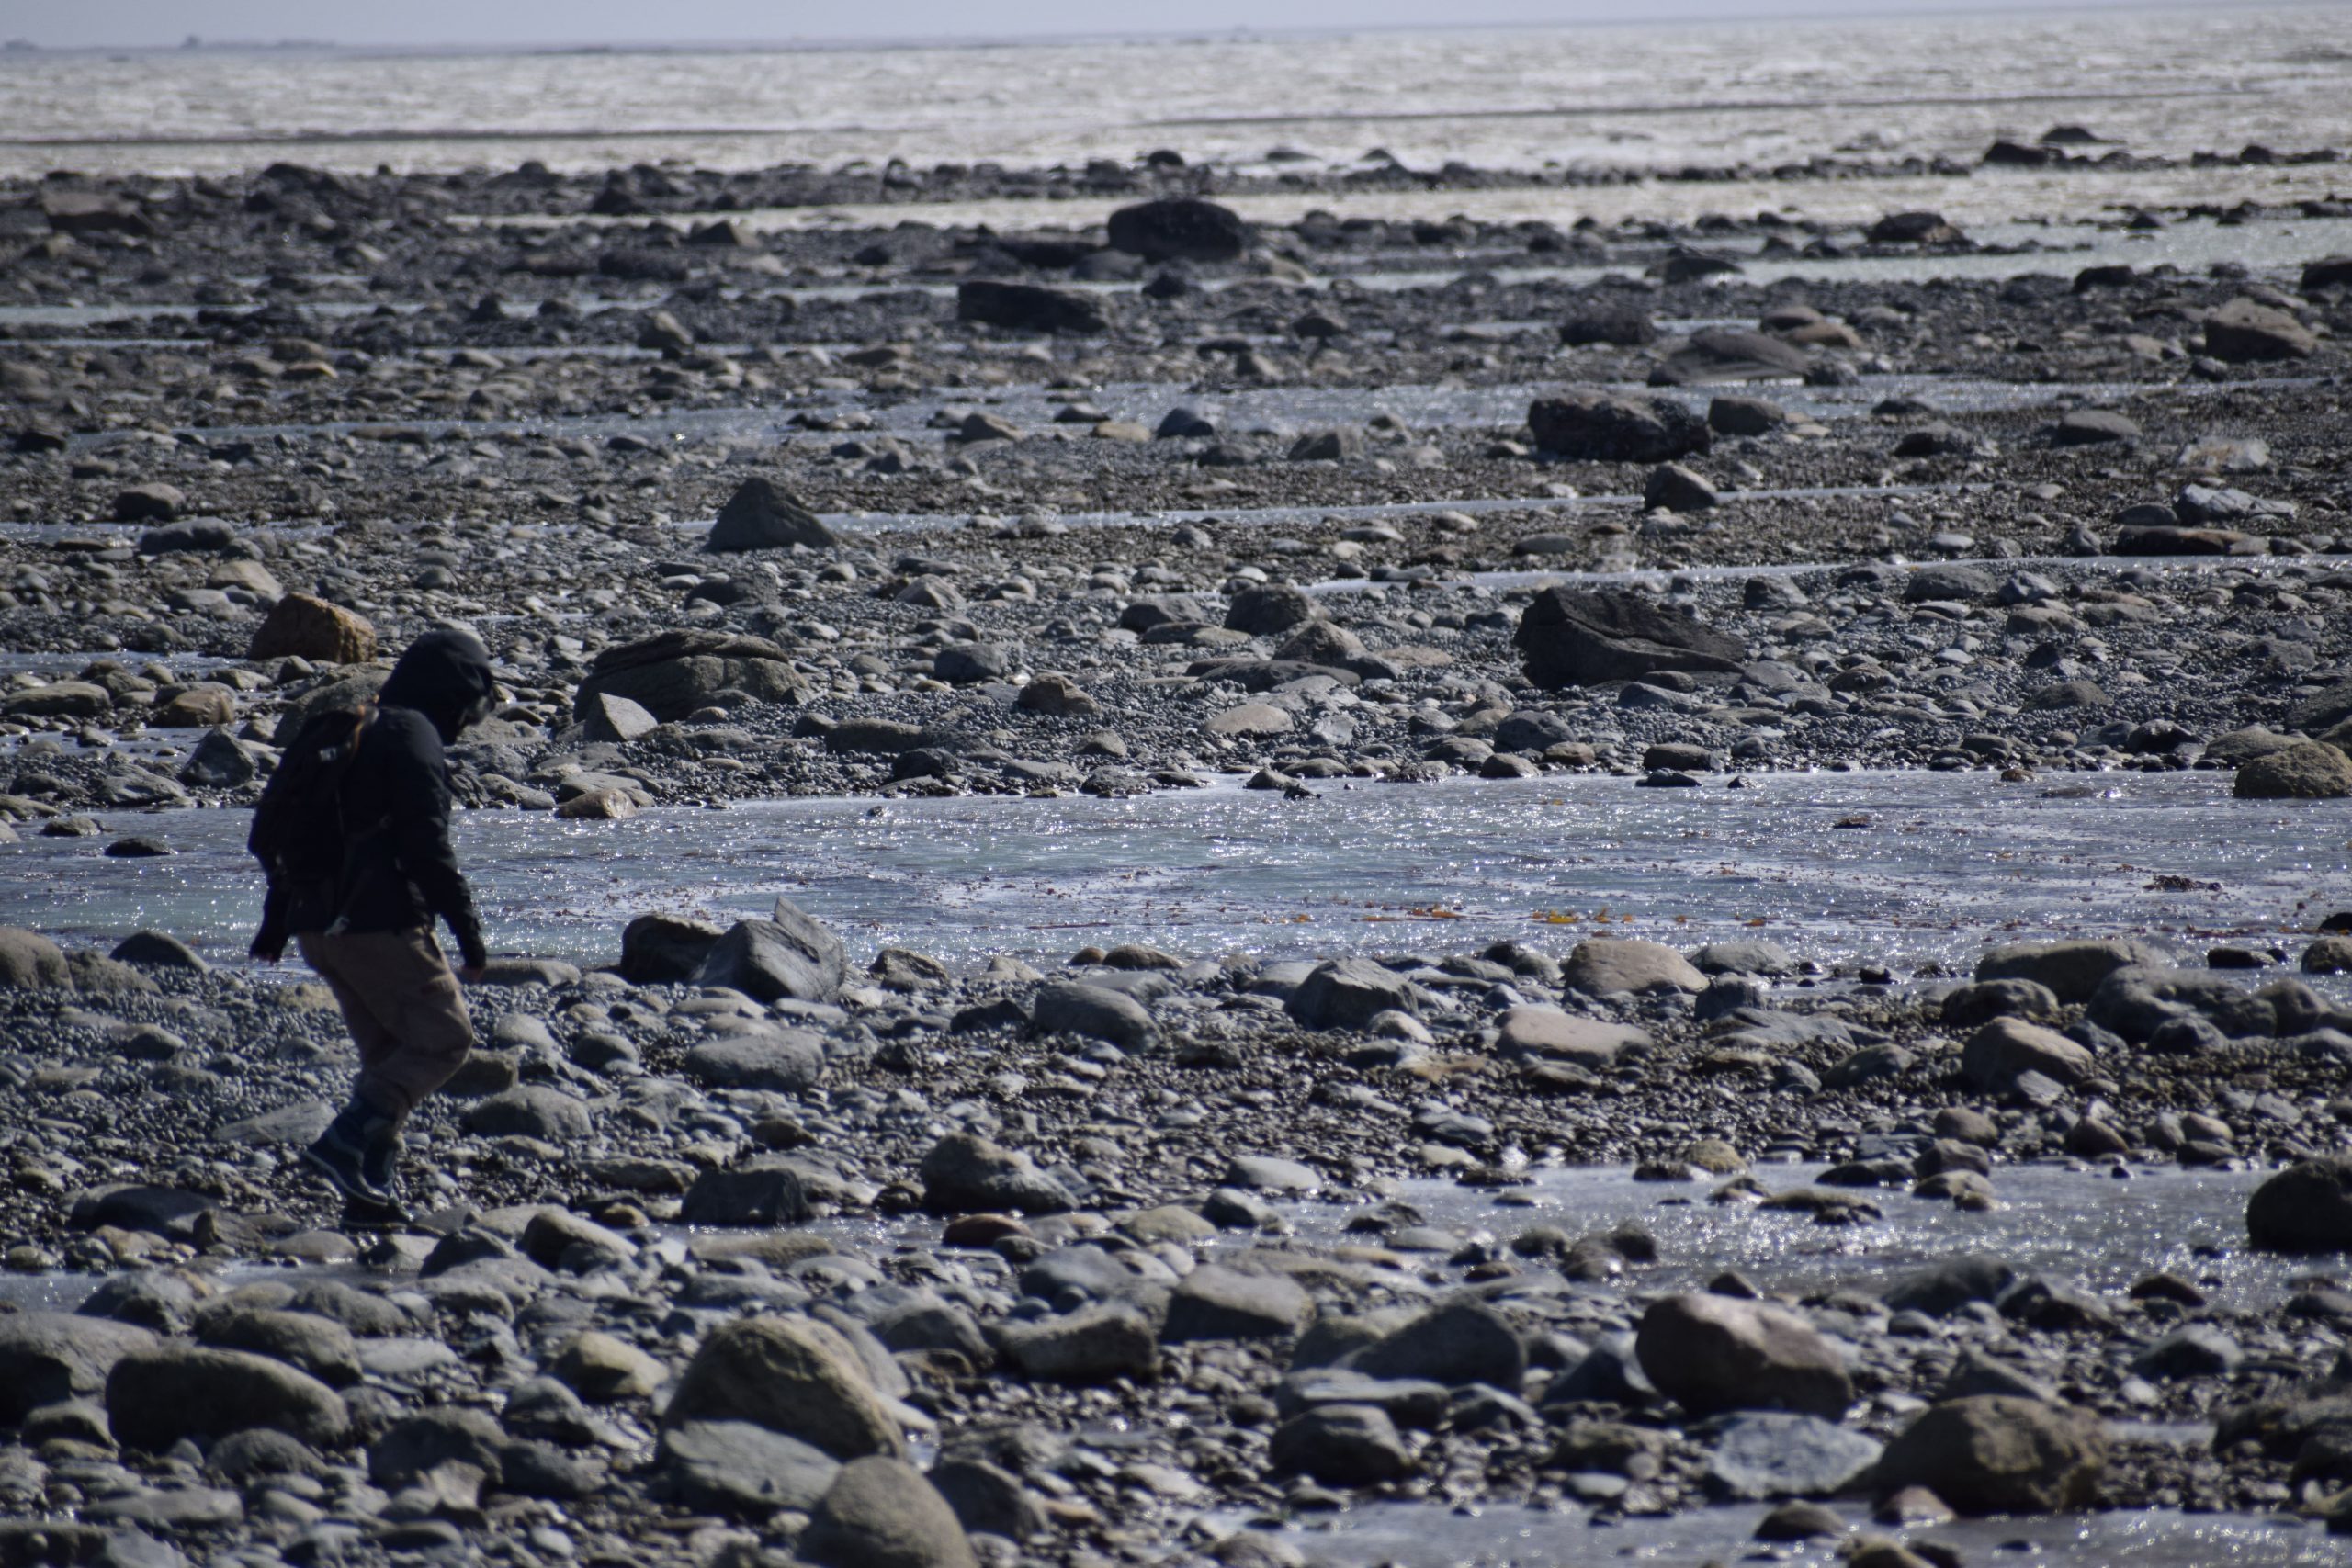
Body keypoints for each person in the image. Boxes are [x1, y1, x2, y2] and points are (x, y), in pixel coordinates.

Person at [249, 627, 499, 1218]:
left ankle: (370, 1188)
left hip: (318, 930)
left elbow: (268, 833)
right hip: (379, 926)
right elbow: (426, 847)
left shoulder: (341, 727)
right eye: (472, 709)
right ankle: (342, 1144)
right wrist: (468, 934)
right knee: (444, 1039)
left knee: (389, 1055)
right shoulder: (413, 735)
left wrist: (279, 921)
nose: (468, 722)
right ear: (455, 697)